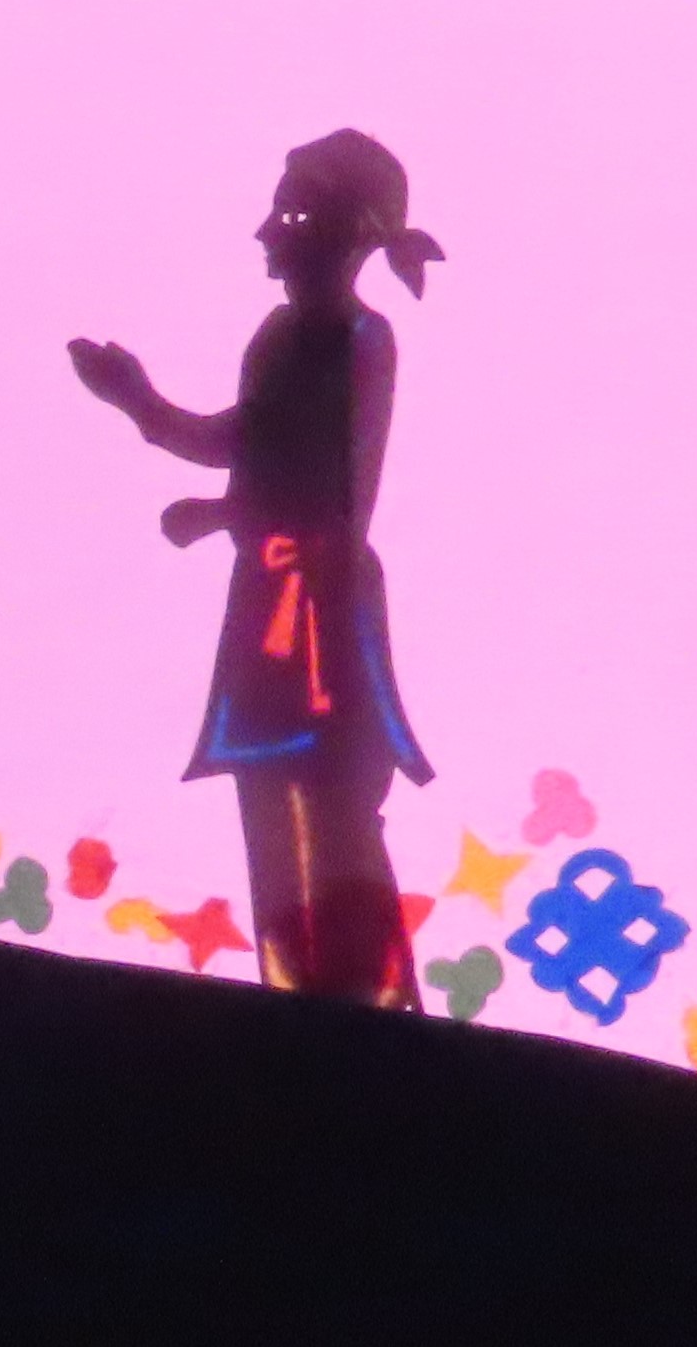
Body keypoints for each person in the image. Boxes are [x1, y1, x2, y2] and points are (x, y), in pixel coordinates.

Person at [67, 130, 439, 1003]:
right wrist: (141, 405)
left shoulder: (360, 339)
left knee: (332, 801)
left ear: (347, 234)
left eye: (292, 216)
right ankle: (295, 994)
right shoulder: (280, 335)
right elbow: (240, 440)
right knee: (269, 795)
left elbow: (339, 497)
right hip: (271, 601)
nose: (268, 233)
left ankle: (369, 1008)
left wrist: (223, 511)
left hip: (319, 614)